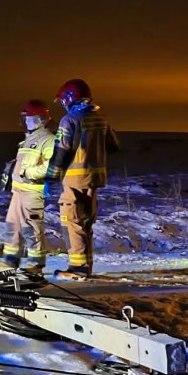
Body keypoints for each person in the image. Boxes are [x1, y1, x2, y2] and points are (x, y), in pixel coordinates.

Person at [44, 79, 120, 279]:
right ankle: (87, 266)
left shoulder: (69, 120)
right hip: (94, 181)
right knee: (86, 223)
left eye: (62, 100)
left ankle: (77, 269)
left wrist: (50, 177)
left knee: (71, 222)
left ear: (69, 99)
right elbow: (114, 146)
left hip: (74, 181)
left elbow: (62, 152)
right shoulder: (100, 118)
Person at [0, 100, 56, 273]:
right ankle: (10, 261)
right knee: (12, 226)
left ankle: (35, 264)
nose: (25, 122)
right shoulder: (28, 140)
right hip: (17, 192)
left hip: (32, 192)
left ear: (40, 119)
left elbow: (50, 166)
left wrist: (28, 173)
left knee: (31, 228)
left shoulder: (47, 140)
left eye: (28, 118)